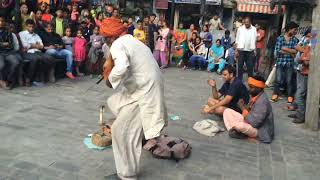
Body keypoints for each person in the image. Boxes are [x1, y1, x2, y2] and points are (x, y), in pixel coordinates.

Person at [100, 17, 167, 180]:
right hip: (143, 88)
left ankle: (127, 175)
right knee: (113, 101)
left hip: (144, 92)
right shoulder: (132, 40)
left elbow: (122, 66)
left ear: (109, 37)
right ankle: (139, 128)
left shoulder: (117, 44)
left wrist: (109, 78)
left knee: (120, 131)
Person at [223, 75, 274, 143]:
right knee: (227, 111)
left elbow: (254, 123)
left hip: (260, 130)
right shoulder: (255, 94)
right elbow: (249, 111)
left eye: (251, 87)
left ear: (259, 88)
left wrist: (242, 108)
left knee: (240, 126)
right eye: (249, 86)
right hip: (248, 120)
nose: (249, 89)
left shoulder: (262, 102)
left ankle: (237, 130)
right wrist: (244, 106)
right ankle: (234, 130)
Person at [19, 19, 56, 86]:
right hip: (27, 53)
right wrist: (35, 45)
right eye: (29, 26)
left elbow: (42, 46)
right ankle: (29, 78)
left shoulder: (36, 35)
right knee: (36, 58)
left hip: (38, 52)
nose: (31, 28)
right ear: (26, 26)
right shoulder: (22, 34)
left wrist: (32, 45)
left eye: (32, 27)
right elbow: (25, 45)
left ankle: (45, 76)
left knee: (50, 58)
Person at [271, 22, 299, 103]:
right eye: (294, 29)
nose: (295, 31)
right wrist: (291, 52)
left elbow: (296, 52)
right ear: (289, 29)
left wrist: (285, 49)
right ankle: (275, 94)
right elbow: (277, 51)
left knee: (289, 80)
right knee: (278, 79)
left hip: (290, 63)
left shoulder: (295, 40)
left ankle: (290, 96)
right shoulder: (280, 38)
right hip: (280, 62)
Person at [288, 29, 312, 124]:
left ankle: (301, 115)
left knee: (301, 93)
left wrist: (302, 52)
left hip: (307, 71)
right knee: (299, 92)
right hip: (301, 69)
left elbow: (307, 59)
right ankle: (299, 112)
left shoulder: (314, 37)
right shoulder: (309, 37)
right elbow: (297, 47)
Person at [0, 16, 20, 89]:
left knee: (16, 62)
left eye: (2, 21)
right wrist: (4, 44)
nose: (1, 23)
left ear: (4, 22)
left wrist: (3, 44)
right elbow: (7, 44)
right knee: (1, 65)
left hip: (7, 52)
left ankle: (8, 80)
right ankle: (1, 81)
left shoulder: (8, 31)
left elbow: (11, 45)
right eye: (0, 21)